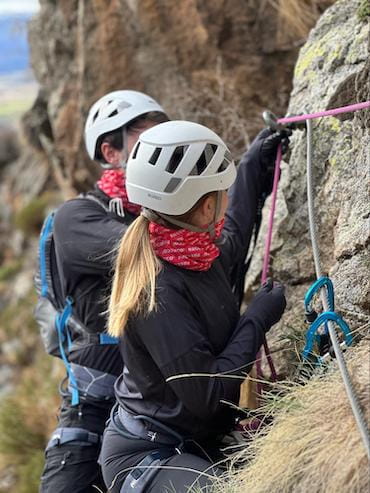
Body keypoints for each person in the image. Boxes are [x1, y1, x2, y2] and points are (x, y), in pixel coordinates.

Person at [100, 120, 288, 492]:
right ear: (204, 208)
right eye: (222, 191)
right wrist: (257, 319)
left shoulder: (195, 251)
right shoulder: (156, 293)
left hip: (193, 442)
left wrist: (253, 164)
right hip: (146, 456)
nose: (228, 197)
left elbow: (233, 234)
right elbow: (207, 394)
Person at [38, 90, 169, 493]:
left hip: (162, 406)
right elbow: (147, 254)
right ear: (111, 152)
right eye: (147, 139)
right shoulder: (78, 217)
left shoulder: (176, 218)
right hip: (93, 407)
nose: (161, 147)